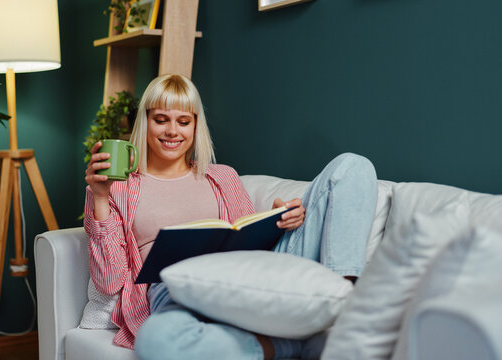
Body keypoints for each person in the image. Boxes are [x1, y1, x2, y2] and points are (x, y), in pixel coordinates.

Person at [84, 74, 378, 359]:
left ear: (196, 126)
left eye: (183, 121)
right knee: (157, 340)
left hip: (246, 278)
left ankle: (345, 306)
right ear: (145, 122)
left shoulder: (222, 176)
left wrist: (280, 220)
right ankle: (294, 345)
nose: (173, 131)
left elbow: (246, 239)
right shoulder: (116, 187)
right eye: (161, 120)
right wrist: (99, 196)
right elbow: (110, 283)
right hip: (175, 291)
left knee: (352, 167)